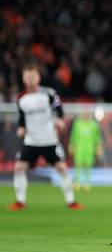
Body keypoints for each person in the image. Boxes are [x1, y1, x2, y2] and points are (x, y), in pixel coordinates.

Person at [7, 64, 83, 211]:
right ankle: (20, 201)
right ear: (23, 78)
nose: (30, 79)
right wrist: (21, 128)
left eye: (33, 76)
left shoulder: (49, 94)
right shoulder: (21, 99)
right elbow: (22, 118)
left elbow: (59, 110)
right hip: (31, 141)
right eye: (27, 76)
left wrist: (59, 119)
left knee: (62, 168)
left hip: (50, 140)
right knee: (19, 167)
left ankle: (71, 201)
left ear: (38, 77)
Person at [68, 111, 103, 191]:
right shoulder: (77, 124)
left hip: (89, 148)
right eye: (84, 114)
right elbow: (73, 135)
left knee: (88, 165)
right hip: (79, 147)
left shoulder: (93, 125)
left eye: (87, 114)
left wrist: (99, 146)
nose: (86, 115)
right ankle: (77, 182)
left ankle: (87, 182)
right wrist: (71, 145)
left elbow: (97, 137)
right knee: (78, 165)